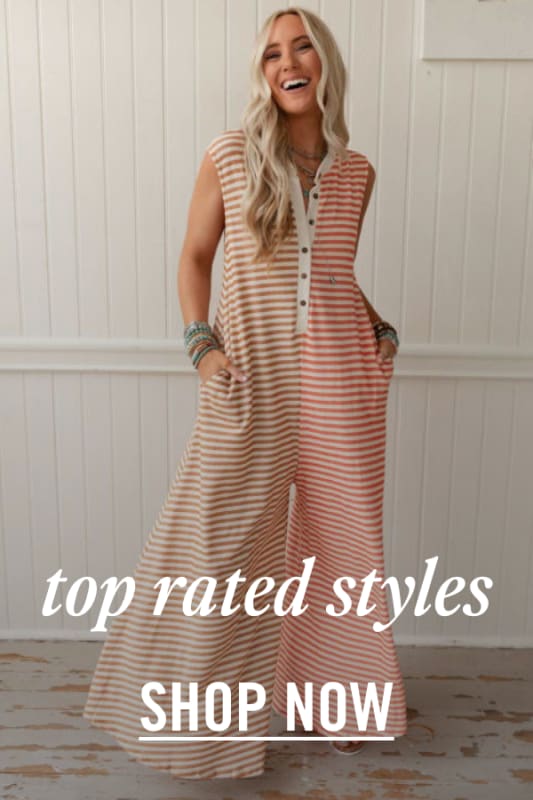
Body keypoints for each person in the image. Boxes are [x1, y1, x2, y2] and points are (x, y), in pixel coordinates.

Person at [83, 5, 406, 780]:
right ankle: (189, 729)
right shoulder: (229, 155)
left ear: (325, 62)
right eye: (271, 54)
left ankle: (335, 704)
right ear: (261, 73)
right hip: (249, 376)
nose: (287, 63)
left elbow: (327, 273)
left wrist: (378, 325)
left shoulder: (356, 171)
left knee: (344, 548)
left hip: (340, 373)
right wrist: (202, 349)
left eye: (301, 48)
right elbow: (195, 258)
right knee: (218, 550)